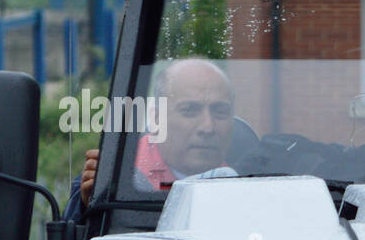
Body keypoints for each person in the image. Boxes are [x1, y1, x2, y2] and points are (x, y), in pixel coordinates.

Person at [66, 57, 237, 222]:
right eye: (189, 110)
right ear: (156, 119)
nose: (207, 127)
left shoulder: (252, 179)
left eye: (220, 111)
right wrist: (89, 210)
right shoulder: (108, 178)